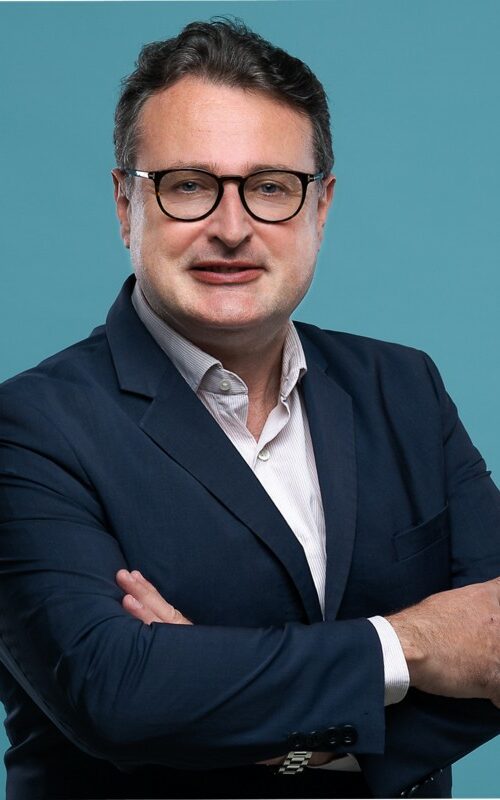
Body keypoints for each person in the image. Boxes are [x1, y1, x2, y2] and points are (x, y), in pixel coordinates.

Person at [0, 17, 499, 800]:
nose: (231, 229)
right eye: (188, 185)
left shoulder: (406, 388)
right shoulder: (29, 429)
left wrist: (236, 714)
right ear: (125, 204)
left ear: (321, 206)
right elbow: (118, 694)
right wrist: (413, 644)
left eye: (270, 187)